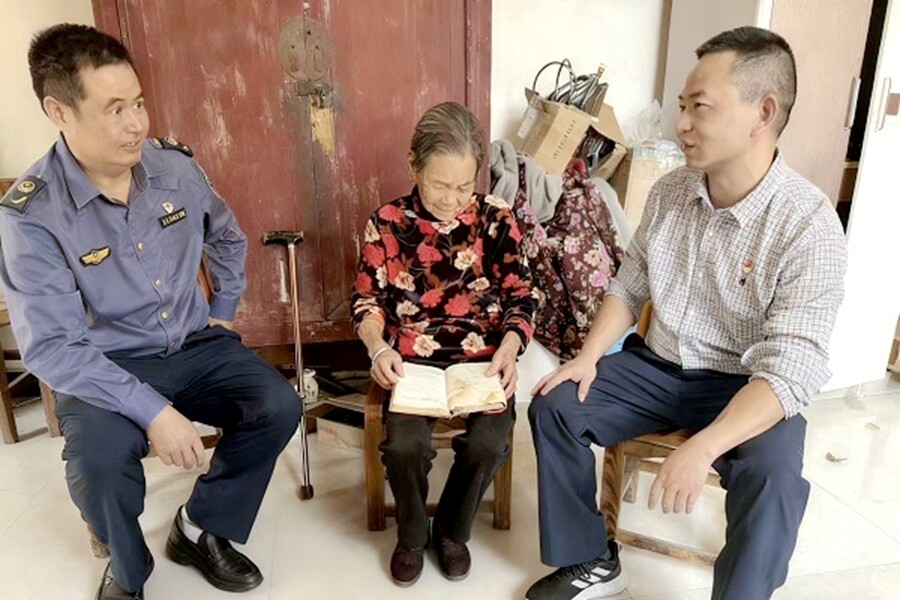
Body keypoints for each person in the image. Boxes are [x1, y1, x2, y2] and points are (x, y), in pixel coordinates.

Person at [525, 26, 847, 600]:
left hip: (745, 386)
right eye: (681, 106)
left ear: (763, 113)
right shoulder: (671, 191)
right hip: (656, 367)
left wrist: (704, 446)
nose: (682, 124)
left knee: (773, 475)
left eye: (700, 107)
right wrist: (589, 356)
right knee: (556, 405)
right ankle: (592, 560)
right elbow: (630, 284)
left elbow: (790, 371)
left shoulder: (808, 224)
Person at [0, 24, 301, 599]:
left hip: (193, 342)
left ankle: (200, 527)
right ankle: (128, 567)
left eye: (138, 103)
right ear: (59, 112)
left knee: (277, 404)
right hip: (105, 365)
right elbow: (53, 347)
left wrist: (223, 309)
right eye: (115, 110)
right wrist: (154, 411)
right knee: (98, 461)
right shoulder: (32, 214)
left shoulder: (174, 168)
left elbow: (227, 236)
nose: (136, 123)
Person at [351, 101, 536, 586]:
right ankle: (413, 536)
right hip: (412, 362)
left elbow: (521, 295)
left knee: (489, 442)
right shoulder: (387, 222)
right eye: (439, 185)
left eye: (464, 186)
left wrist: (510, 347)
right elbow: (367, 301)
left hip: (484, 361)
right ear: (413, 165)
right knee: (405, 446)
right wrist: (378, 348)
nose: (453, 200)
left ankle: (452, 531)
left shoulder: (496, 218)